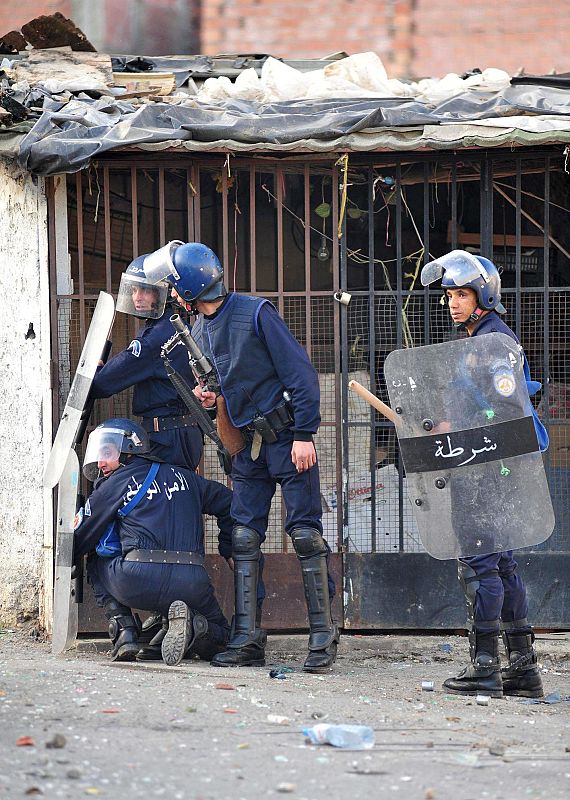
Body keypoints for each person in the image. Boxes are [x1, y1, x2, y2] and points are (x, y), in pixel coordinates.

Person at [142, 241, 339, 673]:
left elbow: (301, 375)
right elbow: (226, 387)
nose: (172, 295)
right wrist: (210, 398)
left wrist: (305, 434)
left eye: (175, 287)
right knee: (244, 536)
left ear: (190, 286)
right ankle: (248, 638)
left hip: (288, 439)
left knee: (304, 534)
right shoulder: (200, 330)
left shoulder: (256, 313)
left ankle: (323, 636)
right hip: (248, 447)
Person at [421, 249, 545, 698]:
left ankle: (486, 666)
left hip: (488, 467)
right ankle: (524, 671)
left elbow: (507, 409)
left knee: (479, 563)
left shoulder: (494, 344)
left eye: (461, 294)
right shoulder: (476, 339)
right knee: (502, 564)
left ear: (483, 295)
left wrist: (466, 425)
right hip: (483, 464)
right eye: (450, 295)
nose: (453, 302)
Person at [73, 417, 232, 666]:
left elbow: (80, 539)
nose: (100, 463)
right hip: (193, 582)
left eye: (107, 452)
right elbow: (230, 503)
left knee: (95, 559)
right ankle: (196, 626)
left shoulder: (113, 485)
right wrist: (229, 547)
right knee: (224, 637)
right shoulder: (188, 478)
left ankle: (125, 633)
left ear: (129, 449)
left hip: (136, 580)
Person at [90, 254, 203, 471]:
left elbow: (102, 384)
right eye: (133, 290)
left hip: (167, 438)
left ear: (162, 292)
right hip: (184, 432)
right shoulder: (178, 327)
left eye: (145, 290)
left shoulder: (153, 340)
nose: (137, 297)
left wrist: (96, 368)